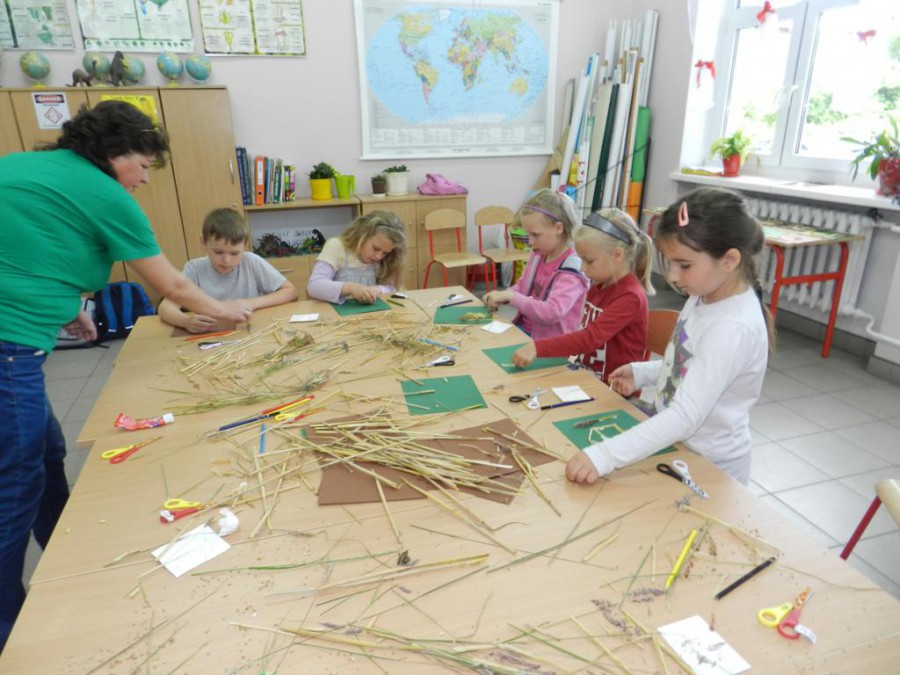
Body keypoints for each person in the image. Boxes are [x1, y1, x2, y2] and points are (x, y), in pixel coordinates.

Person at [0, 100, 250, 652]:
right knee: (15, 482)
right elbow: (173, 286)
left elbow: (25, 247)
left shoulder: (23, 167)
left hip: (15, 343)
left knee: (46, 450)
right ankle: (8, 631)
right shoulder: (105, 193)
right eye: (142, 164)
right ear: (115, 155)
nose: (144, 178)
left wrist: (67, 304)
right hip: (9, 349)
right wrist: (229, 312)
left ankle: (67, 557)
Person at [567, 187, 774, 487]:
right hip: (678, 448)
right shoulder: (703, 295)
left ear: (729, 260)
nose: (673, 276)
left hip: (710, 468)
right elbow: (688, 364)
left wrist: (604, 455)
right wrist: (644, 373)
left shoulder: (732, 328)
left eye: (684, 265)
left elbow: (685, 416)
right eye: (670, 263)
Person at [511, 208, 654, 382]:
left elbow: (589, 338)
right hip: (587, 377)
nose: (582, 268)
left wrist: (537, 347)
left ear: (617, 254)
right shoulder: (599, 285)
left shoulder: (630, 297)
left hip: (614, 388)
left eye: (589, 261)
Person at [158, 208, 298, 333]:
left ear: (245, 245)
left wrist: (251, 303)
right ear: (204, 243)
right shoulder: (195, 269)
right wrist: (185, 321)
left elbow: (291, 291)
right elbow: (165, 307)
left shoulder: (251, 262)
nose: (226, 261)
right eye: (218, 252)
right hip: (210, 336)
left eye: (234, 253)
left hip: (249, 332)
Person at [483, 189, 588, 340]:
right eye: (528, 234)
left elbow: (552, 312)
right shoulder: (539, 252)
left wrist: (511, 297)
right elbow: (522, 286)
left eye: (535, 235)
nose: (530, 242)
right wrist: (502, 296)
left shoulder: (573, 268)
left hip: (551, 343)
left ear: (558, 228)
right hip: (526, 331)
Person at [306, 211, 407, 304]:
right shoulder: (336, 246)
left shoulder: (385, 259)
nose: (379, 256)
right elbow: (314, 286)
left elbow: (393, 288)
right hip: (335, 314)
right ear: (362, 234)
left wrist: (378, 289)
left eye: (385, 253)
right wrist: (350, 288)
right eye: (375, 248)